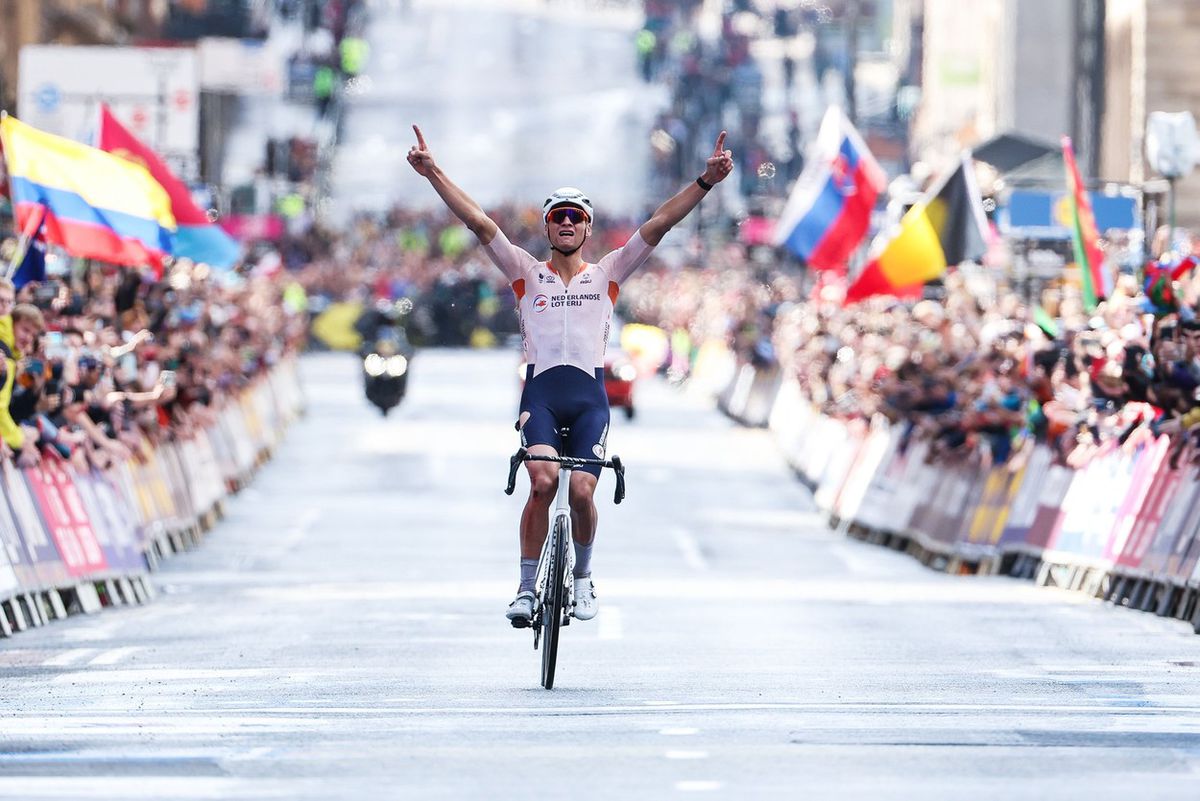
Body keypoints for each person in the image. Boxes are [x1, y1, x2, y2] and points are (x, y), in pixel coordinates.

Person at [407, 124, 733, 626]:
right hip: (540, 397)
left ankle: (582, 580)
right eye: (556, 217)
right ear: (547, 228)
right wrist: (434, 173)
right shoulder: (524, 272)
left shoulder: (608, 274)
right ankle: (523, 587)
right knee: (542, 481)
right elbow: (477, 222)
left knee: (581, 491)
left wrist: (705, 182)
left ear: (586, 228)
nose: (564, 224)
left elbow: (660, 222)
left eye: (574, 218)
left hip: (588, 401)